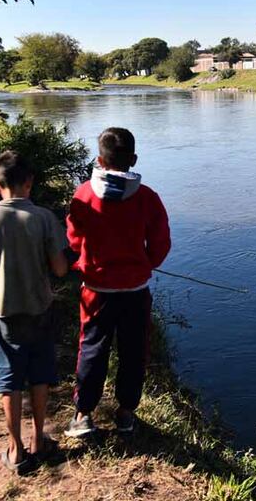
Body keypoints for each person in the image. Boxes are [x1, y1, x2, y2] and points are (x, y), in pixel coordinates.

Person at [0, 150, 69, 474]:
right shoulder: (44, 218)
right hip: (40, 308)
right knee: (40, 374)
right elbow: (61, 269)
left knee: (9, 378)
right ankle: (39, 439)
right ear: (30, 182)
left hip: (4, 312)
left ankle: (16, 449)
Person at [64, 127, 171, 436]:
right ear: (134, 159)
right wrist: (144, 264)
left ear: (99, 159)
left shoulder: (83, 194)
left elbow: (73, 240)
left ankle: (83, 414)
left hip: (96, 291)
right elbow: (161, 245)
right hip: (135, 291)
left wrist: (86, 260)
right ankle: (125, 414)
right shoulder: (149, 198)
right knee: (134, 351)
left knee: (92, 349)